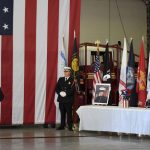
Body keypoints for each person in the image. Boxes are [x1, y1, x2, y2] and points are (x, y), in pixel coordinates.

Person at [56, 67, 75, 131]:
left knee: (69, 113)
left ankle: (70, 126)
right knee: (62, 113)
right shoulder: (60, 79)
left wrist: (66, 93)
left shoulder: (73, 80)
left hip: (68, 99)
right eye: (64, 71)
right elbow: (57, 88)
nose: (65, 73)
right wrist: (60, 92)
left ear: (70, 72)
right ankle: (62, 125)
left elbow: (72, 89)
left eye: (66, 71)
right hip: (61, 99)